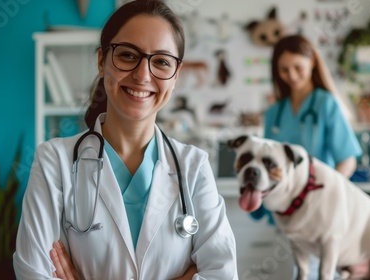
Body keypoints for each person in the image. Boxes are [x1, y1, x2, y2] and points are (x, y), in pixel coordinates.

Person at [13, 1, 238, 279]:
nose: (143, 75)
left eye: (161, 62)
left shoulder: (193, 166)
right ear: (101, 61)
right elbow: (32, 272)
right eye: (128, 55)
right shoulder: (54, 161)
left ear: (175, 76)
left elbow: (223, 274)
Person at [256, 34, 365, 276]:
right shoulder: (275, 112)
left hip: (320, 207)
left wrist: (329, 192)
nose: (292, 76)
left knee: (322, 270)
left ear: (313, 63)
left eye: (298, 67)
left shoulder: (326, 104)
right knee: (295, 271)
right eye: (284, 70)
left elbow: (347, 160)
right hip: (285, 207)